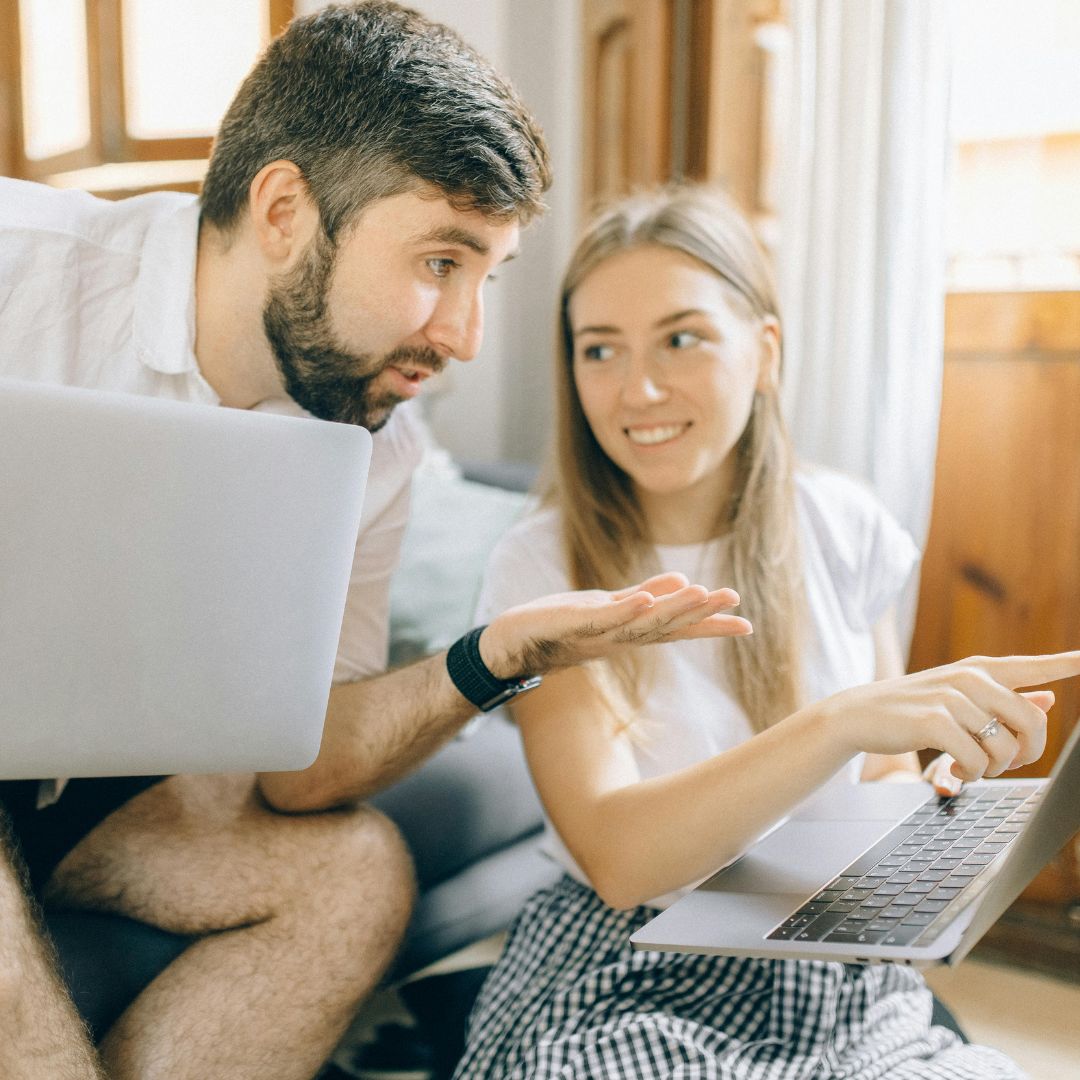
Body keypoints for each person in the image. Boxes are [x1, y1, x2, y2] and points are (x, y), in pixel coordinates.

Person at [0, 7, 750, 1079]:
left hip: (83, 788)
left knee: (353, 871)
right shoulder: (21, 275)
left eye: (487, 276)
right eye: (442, 261)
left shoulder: (371, 443)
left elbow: (302, 771)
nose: (464, 336)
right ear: (285, 209)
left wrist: (495, 655)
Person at [452, 186, 1080, 1079]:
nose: (640, 389)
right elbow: (621, 861)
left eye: (683, 337)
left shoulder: (843, 522)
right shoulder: (539, 568)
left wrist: (935, 801)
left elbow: (881, 772)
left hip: (829, 961)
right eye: (601, 350)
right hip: (629, 968)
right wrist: (839, 723)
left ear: (764, 352)